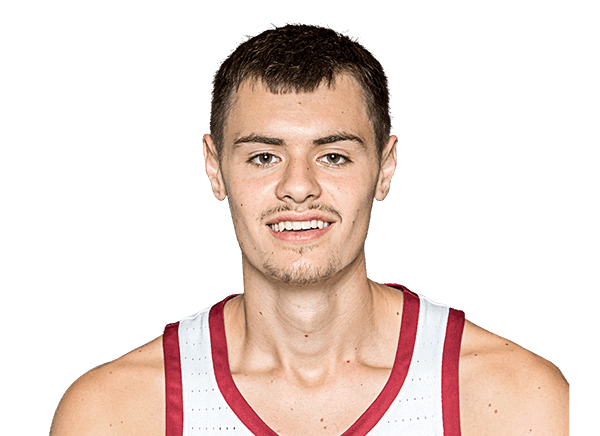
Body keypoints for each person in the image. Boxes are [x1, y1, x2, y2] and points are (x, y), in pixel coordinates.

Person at [50, 24, 570, 436]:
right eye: (263, 156)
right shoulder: (114, 414)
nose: (298, 187)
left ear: (385, 167)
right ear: (214, 167)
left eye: (334, 156)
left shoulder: (516, 402)